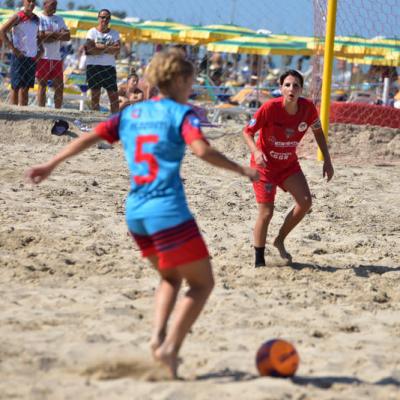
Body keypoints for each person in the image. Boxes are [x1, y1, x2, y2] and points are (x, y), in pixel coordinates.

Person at [25, 50, 258, 379]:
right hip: (167, 210)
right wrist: (242, 170)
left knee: (170, 278)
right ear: (179, 80)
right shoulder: (183, 113)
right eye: (191, 80)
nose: (192, 87)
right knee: (202, 284)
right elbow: (201, 150)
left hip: (136, 212)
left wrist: (50, 164)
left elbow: (90, 137)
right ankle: (169, 348)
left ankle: (157, 338)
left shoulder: (131, 114)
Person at [242, 69, 334, 268]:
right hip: (265, 166)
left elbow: (318, 132)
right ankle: (259, 262)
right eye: (287, 85)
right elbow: (247, 132)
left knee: (305, 202)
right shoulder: (270, 108)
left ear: (301, 89)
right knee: (266, 212)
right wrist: (256, 152)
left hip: (288, 164)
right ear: (281, 88)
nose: (292, 89)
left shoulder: (308, 109)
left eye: (296, 85)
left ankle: (279, 240)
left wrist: (327, 160)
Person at [0, 0, 43, 106]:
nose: (31, 4)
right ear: (23, 2)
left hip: (31, 56)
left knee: (26, 88)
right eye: (29, 1)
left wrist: (41, 49)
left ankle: (24, 111)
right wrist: (13, 49)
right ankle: (14, 112)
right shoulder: (18, 16)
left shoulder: (36, 19)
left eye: (33, 1)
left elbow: (37, 36)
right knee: (16, 86)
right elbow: (2, 31)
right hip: (19, 56)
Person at [84, 9, 120, 113]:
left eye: (107, 18)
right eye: (102, 17)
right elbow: (90, 49)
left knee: (114, 98)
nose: (105, 20)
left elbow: (117, 50)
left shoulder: (114, 33)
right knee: (95, 97)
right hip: (94, 66)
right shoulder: (92, 32)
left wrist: (98, 47)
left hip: (109, 67)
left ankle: (115, 119)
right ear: (98, 18)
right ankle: (95, 119)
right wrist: (108, 47)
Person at [36, 0, 70, 109]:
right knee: (42, 85)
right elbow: (39, 36)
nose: (55, 7)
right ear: (44, 4)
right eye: (52, 5)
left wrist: (49, 35)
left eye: (56, 5)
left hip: (56, 57)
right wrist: (57, 34)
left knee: (60, 86)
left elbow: (67, 36)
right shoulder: (38, 18)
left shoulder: (59, 19)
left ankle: (58, 110)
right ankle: (41, 110)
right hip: (42, 57)